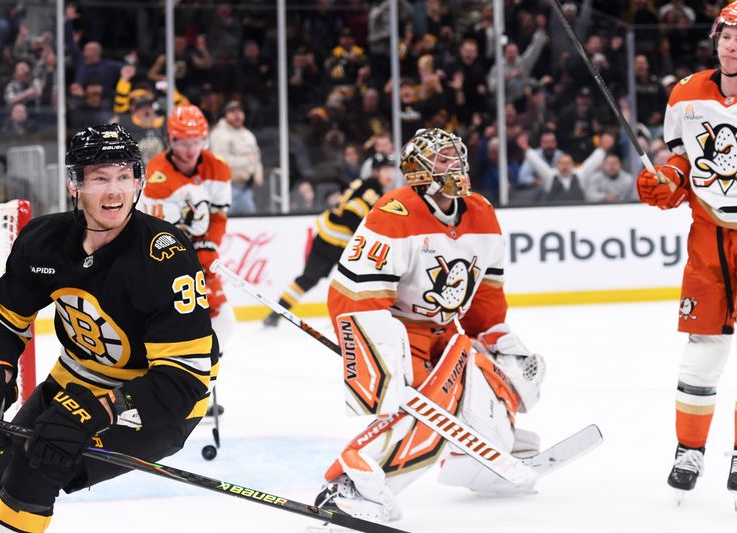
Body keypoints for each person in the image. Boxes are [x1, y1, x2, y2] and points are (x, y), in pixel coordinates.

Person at [0, 124, 218, 532]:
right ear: (74, 184)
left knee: (34, 469)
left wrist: (103, 408)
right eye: (99, 178)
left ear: (138, 182)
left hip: (157, 401)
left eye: (123, 176)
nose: (114, 192)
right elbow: (0, 320)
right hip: (76, 379)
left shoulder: (165, 257)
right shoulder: (43, 241)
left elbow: (184, 380)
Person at [314, 128, 545, 522]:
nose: (455, 164)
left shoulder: (482, 213)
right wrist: (378, 357)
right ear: (418, 170)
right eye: (442, 158)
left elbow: (485, 293)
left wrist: (494, 335)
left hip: (448, 334)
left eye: (456, 155)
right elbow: (353, 296)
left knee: (490, 390)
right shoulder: (394, 214)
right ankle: (351, 482)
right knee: (430, 412)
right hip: (402, 332)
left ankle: (481, 460)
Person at [636, 3, 737, 496]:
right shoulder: (686, 93)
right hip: (709, 237)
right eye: (727, 36)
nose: (732, 46)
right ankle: (690, 450)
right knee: (703, 348)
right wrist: (668, 179)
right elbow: (683, 158)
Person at [139, 104, 235, 416]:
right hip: (162, 260)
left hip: (200, 257)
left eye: (196, 141)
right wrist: (192, 254)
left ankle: (199, 390)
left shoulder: (217, 167)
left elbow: (218, 216)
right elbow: (158, 234)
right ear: (171, 140)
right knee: (165, 329)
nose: (190, 149)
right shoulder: (156, 176)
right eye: (183, 141)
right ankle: (155, 391)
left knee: (222, 321)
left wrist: (209, 245)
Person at [263, 153, 397, 327]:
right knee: (356, 281)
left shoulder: (363, 184)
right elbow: (350, 214)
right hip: (339, 243)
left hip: (327, 235)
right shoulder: (372, 190)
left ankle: (275, 314)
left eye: (391, 170)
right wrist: (368, 237)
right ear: (376, 171)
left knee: (309, 279)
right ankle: (348, 318)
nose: (390, 174)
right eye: (386, 169)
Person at [208, 100, 263, 215]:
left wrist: (258, 171)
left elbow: (256, 156)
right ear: (225, 115)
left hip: (246, 188)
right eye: (232, 112)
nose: (237, 115)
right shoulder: (219, 133)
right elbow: (220, 160)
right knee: (223, 220)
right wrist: (245, 160)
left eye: (240, 112)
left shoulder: (247, 134)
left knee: (251, 220)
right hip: (226, 188)